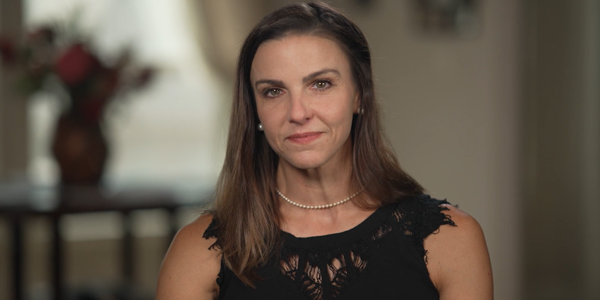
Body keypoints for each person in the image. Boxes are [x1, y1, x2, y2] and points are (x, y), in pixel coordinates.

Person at [156, 2, 493, 300]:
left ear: (360, 95)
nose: (298, 113)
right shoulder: (200, 252)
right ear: (254, 110)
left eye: (320, 84)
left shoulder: (449, 241)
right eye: (273, 91)